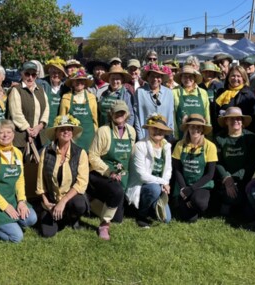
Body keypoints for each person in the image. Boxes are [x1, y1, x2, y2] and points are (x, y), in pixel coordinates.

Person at [0, 121, 37, 243]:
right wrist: (6, 207)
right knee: (17, 237)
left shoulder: (18, 153)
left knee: (31, 219)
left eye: (8, 132)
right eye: (1, 132)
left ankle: (9, 223)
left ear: (13, 134)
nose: (5, 135)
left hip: (11, 199)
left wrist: (21, 201)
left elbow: (20, 179)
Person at [88, 101, 137, 240]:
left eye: (122, 112)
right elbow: (93, 155)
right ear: (111, 114)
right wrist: (109, 171)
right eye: (117, 112)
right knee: (116, 191)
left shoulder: (131, 131)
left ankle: (92, 203)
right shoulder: (103, 131)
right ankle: (104, 224)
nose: (120, 115)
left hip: (122, 175)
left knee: (118, 218)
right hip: (100, 173)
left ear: (127, 114)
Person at [36, 115, 89, 237]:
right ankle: (58, 216)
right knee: (47, 233)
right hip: (51, 199)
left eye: (69, 129)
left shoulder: (80, 153)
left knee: (79, 205)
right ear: (56, 132)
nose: (66, 131)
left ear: (72, 132)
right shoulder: (46, 151)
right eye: (62, 129)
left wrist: (63, 202)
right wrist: (46, 203)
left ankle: (73, 217)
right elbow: (40, 182)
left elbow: (82, 182)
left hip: (69, 198)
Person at [214, 107, 255, 217]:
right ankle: (228, 202)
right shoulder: (219, 138)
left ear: (242, 122)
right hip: (225, 180)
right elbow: (218, 162)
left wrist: (234, 178)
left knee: (247, 214)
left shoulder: (251, 138)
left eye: (238, 119)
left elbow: (252, 163)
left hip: (245, 178)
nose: (235, 121)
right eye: (231, 119)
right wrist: (226, 177)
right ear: (226, 121)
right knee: (226, 209)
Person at [126, 113, 172, 228]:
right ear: (149, 129)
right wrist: (162, 182)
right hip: (142, 186)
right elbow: (142, 176)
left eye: (161, 129)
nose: (158, 132)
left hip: (159, 185)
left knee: (166, 219)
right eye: (154, 128)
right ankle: (141, 215)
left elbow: (168, 169)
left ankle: (151, 208)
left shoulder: (166, 146)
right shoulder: (140, 146)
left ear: (165, 132)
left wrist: (165, 182)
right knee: (154, 188)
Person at [172, 114, 217, 222]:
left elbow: (210, 174)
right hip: (184, 185)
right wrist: (184, 190)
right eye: (192, 126)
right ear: (188, 128)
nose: (195, 129)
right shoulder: (180, 145)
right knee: (189, 219)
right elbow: (177, 170)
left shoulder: (210, 146)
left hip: (201, 185)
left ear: (203, 129)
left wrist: (191, 189)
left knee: (200, 203)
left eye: (198, 127)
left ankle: (197, 203)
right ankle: (187, 203)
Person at [7, 61, 49, 150]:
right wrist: (28, 129)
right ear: (22, 74)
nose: (30, 78)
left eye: (33, 75)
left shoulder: (40, 90)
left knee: (39, 163)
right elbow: (16, 114)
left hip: (39, 137)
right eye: (27, 74)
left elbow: (46, 109)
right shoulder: (16, 90)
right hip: (21, 137)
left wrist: (39, 126)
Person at [212, 65, 255, 134]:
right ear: (228, 78)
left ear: (243, 78)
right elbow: (214, 113)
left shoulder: (248, 95)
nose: (235, 78)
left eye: (239, 76)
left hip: (243, 135)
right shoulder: (221, 92)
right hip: (223, 133)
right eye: (233, 76)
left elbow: (254, 118)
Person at [60, 68, 98, 151]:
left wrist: (95, 134)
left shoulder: (92, 98)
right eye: (76, 80)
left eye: (81, 80)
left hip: (89, 136)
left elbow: (95, 120)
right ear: (72, 83)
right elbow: (63, 120)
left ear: (85, 83)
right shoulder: (66, 97)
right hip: (73, 137)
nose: (79, 82)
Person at [134, 63, 174, 141]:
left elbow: (170, 116)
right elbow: (137, 117)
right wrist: (141, 138)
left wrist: (169, 137)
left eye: (158, 76)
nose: (155, 79)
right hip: (145, 136)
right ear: (147, 77)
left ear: (162, 78)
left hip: (163, 137)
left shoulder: (168, 93)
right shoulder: (140, 92)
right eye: (152, 76)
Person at [173, 65, 210, 140]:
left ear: (195, 78)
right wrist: (175, 136)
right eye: (185, 76)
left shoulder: (203, 93)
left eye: (190, 76)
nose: (188, 79)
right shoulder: (174, 92)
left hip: (199, 135)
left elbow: (207, 115)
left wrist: (209, 134)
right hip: (181, 135)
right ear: (181, 78)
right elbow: (173, 116)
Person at [39, 58, 68, 141]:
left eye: (59, 72)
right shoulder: (41, 84)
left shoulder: (65, 87)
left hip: (60, 125)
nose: (56, 75)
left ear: (63, 74)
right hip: (44, 124)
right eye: (54, 72)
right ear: (49, 73)